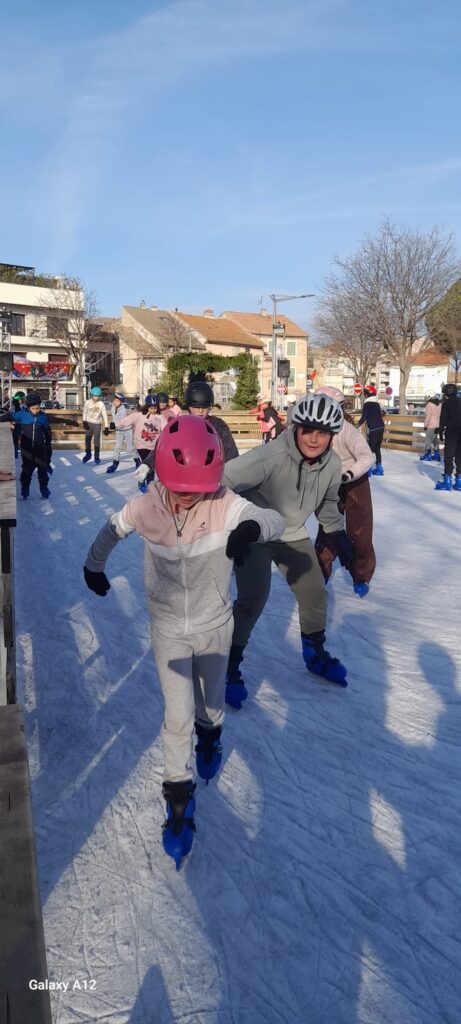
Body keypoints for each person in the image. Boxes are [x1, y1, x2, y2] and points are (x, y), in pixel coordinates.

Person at [83, 415, 284, 868]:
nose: (189, 495)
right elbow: (112, 528)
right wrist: (93, 565)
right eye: (180, 487)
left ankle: (210, 737)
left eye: (198, 487)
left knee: (209, 705)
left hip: (215, 626)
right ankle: (178, 799)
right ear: (163, 474)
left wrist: (252, 529)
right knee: (176, 717)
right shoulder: (145, 507)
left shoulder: (223, 502)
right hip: (169, 630)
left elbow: (271, 518)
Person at [222, 392, 355, 710]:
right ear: (295, 427)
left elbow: (328, 504)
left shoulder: (332, 464)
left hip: (292, 534)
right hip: (255, 535)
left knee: (315, 592)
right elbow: (222, 480)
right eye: (308, 430)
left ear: (332, 435)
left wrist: (338, 535)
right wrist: (236, 522)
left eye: (323, 432)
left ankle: (314, 652)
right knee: (253, 599)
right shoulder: (270, 457)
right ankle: (227, 665)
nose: (314, 439)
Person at [313, 387, 375, 598]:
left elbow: (367, 457)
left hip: (355, 481)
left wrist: (349, 474)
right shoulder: (315, 430)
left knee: (360, 530)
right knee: (328, 529)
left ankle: (361, 575)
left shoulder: (347, 430)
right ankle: (321, 572)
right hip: (330, 482)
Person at [11, 393, 52, 499]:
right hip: (26, 448)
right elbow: (9, 416)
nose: (36, 411)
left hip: (40, 448)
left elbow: (48, 434)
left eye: (38, 408)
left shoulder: (43, 417)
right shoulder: (22, 415)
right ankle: (25, 488)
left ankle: (44, 488)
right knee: (27, 470)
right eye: (33, 408)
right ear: (28, 408)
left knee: (42, 470)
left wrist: (48, 449)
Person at [116, 395, 163, 464]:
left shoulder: (160, 417)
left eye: (155, 408)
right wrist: (115, 425)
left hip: (154, 446)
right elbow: (126, 420)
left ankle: (144, 470)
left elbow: (165, 428)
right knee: (148, 464)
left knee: (153, 465)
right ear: (147, 407)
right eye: (151, 408)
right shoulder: (139, 415)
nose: (153, 410)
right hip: (142, 445)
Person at [106, 392, 140, 474]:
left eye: (118, 401)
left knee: (130, 448)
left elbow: (122, 422)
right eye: (115, 400)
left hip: (127, 430)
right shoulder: (112, 408)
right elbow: (114, 419)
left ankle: (137, 461)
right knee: (117, 448)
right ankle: (115, 464)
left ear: (121, 402)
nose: (115, 402)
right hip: (119, 431)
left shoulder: (123, 410)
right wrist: (111, 425)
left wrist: (114, 426)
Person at [435, 383, 461, 491]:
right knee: (459, 456)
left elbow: (443, 419)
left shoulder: (446, 404)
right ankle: (459, 482)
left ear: (446, 394)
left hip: (452, 432)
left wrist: (440, 431)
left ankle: (447, 481)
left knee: (449, 456)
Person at [357, 385, 385, 476]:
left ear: (368, 394)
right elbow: (380, 414)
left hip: (373, 428)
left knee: (369, 449)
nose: (364, 395)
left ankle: (368, 470)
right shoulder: (376, 404)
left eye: (365, 393)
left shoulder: (367, 404)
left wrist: (357, 425)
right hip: (381, 427)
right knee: (377, 448)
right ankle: (379, 468)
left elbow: (364, 417)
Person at [82, 387, 109, 464]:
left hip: (97, 424)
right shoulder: (87, 402)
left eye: (97, 396)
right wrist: (84, 421)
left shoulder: (101, 404)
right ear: (91, 395)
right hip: (89, 423)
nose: (96, 397)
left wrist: (106, 427)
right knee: (87, 439)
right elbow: (85, 412)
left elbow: (105, 415)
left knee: (97, 441)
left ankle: (96, 457)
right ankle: (88, 454)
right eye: (94, 396)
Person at [420, 396, 441, 462]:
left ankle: (428, 455)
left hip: (430, 425)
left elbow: (428, 416)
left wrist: (425, 425)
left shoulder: (429, 405)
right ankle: (437, 455)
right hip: (437, 425)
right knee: (435, 440)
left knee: (428, 441)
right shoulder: (440, 404)